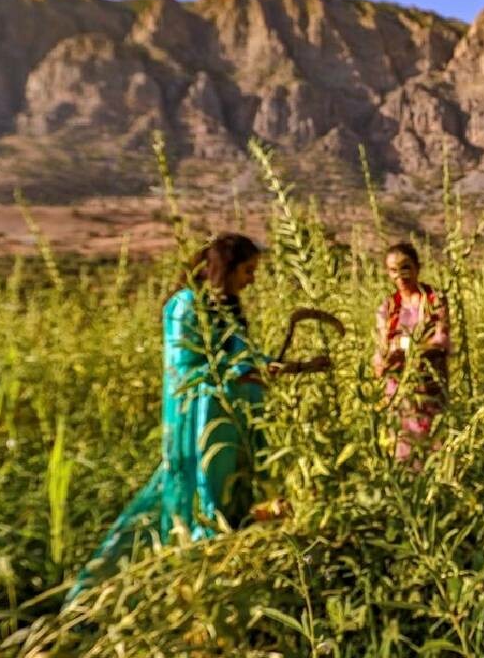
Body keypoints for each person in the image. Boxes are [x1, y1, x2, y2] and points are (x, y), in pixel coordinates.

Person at [65, 233, 330, 604]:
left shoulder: (227, 307)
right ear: (227, 267)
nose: (252, 279)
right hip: (199, 423)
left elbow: (251, 360)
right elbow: (185, 367)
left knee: (233, 497)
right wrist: (243, 369)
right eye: (248, 270)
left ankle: (221, 580)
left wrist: (300, 367)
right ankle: (114, 590)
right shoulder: (185, 304)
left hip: (232, 420)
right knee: (195, 497)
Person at [371, 242, 451, 466]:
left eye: (405, 267)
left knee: (434, 449)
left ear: (417, 267)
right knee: (403, 449)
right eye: (393, 270)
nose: (400, 275)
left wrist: (409, 351)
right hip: (398, 390)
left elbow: (440, 339)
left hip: (429, 388)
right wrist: (380, 364)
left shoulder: (434, 300)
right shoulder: (389, 307)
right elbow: (381, 345)